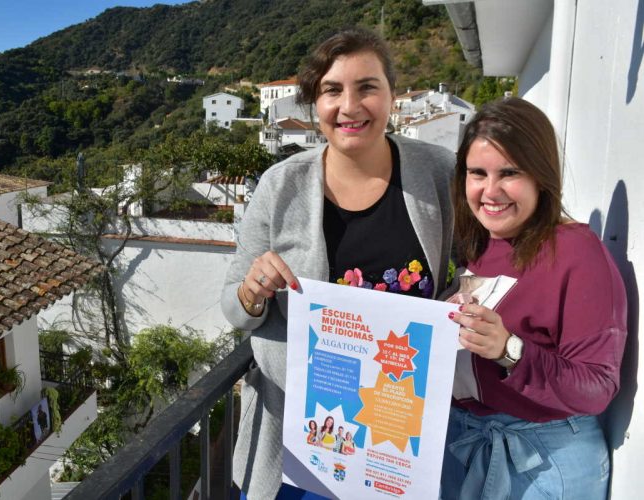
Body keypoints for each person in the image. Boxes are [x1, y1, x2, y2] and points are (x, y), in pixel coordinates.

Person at [221, 27, 455, 499]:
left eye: (367, 87)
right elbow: (233, 307)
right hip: (297, 435)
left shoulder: (439, 172)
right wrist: (253, 289)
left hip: (397, 436)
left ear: (392, 95)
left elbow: (480, 262)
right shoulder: (280, 185)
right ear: (315, 104)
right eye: (332, 90)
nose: (350, 106)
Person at [441, 97, 627, 499]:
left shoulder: (577, 250)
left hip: (543, 460)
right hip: (465, 445)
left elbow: (597, 387)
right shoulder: (469, 244)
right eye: (477, 173)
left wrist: (509, 350)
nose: (491, 191)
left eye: (510, 173)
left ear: (541, 176)